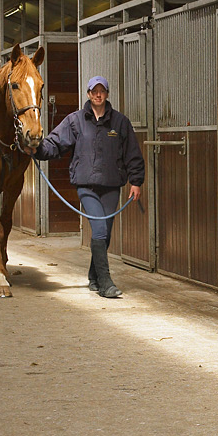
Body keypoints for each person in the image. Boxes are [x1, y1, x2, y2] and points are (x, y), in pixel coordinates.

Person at [33, 74, 145, 298]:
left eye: (102, 90)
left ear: (107, 94)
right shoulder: (75, 121)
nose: (98, 94)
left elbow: (132, 153)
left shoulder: (120, 122)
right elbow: (56, 143)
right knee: (100, 230)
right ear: (88, 94)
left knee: (106, 234)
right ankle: (105, 283)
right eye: (94, 91)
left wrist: (136, 181)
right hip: (86, 185)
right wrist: (37, 149)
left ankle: (93, 276)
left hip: (112, 185)